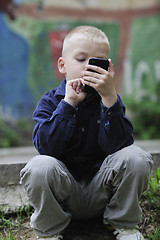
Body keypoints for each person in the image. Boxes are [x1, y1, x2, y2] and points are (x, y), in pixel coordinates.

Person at [20, 25, 153, 240]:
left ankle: (123, 224)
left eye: (97, 62)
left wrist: (110, 100)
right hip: (65, 194)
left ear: (108, 68)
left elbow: (119, 148)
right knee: (39, 166)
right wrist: (69, 104)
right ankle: (50, 230)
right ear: (63, 65)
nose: (88, 67)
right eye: (81, 59)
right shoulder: (50, 101)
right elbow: (46, 148)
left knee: (136, 157)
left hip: (103, 192)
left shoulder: (110, 101)